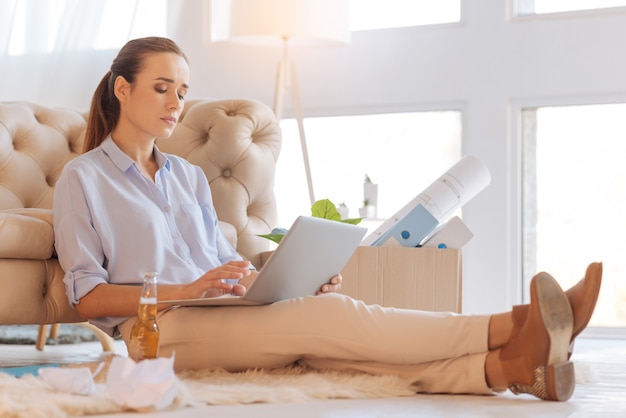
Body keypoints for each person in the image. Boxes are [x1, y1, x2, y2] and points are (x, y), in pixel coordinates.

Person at [53, 37, 602, 402]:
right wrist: (186, 288)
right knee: (330, 317)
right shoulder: (84, 179)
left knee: (330, 353)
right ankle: (516, 323)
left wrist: (265, 278)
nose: (175, 102)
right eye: (161, 87)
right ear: (122, 89)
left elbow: (222, 264)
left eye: (182, 91)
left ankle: (509, 369)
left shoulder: (187, 177)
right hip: (159, 333)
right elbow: (87, 298)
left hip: (219, 312)